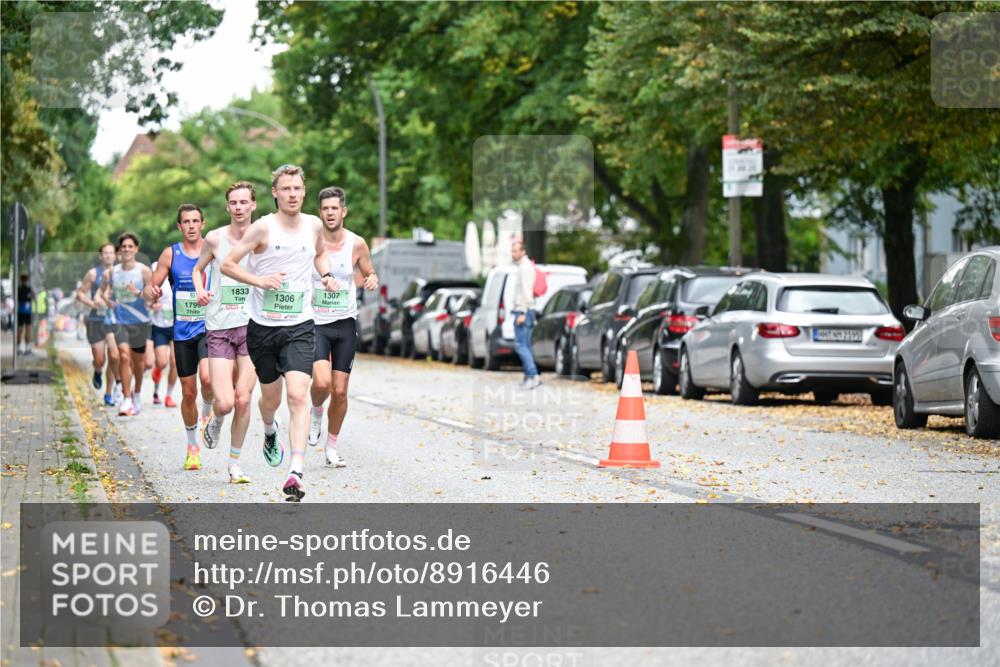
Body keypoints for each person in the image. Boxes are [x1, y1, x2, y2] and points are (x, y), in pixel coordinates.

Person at [221, 164, 339, 501]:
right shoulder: (262, 229)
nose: (292, 195)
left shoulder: (314, 226)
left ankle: (296, 471)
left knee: (299, 396)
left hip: (300, 325)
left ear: (304, 192)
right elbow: (227, 264)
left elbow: (319, 255)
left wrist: (327, 275)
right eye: (286, 189)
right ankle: (270, 429)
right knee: (269, 400)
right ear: (274, 193)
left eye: (297, 189)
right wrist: (259, 281)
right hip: (263, 328)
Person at [192, 181, 259, 485]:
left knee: (243, 399)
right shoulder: (215, 239)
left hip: (253, 326)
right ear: (227, 206)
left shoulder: (265, 237)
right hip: (219, 326)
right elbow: (197, 269)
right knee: (226, 402)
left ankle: (234, 464)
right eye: (234, 202)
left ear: (253, 205)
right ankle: (217, 418)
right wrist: (200, 289)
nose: (239, 208)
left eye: (244, 202)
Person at [307, 186, 379, 468]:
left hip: (345, 323)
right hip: (316, 323)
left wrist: (371, 279)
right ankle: (315, 412)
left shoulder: (357, 244)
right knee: (322, 383)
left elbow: (369, 272)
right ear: (320, 212)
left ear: (343, 211)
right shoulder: (311, 242)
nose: (329, 213)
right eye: (325, 208)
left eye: (334, 208)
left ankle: (332, 447)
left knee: (340, 391)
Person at [145, 205, 214, 471]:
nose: (191, 226)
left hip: (209, 327)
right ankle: (192, 447)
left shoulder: (214, 249)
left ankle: (207, 410)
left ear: (203, 224)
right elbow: (150, 288)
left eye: (196, 221)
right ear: (179, 226)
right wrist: (151, 293)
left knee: (207, 380)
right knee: (188, 391)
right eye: (186, 222)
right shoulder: (170, 254)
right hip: (182, 331)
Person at [101, 233, 153, 416]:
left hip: (140, 321)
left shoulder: (144, 271)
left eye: (130, 246)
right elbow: (105, 292)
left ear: (136, 249)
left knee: (138, 363)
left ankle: (137, 394)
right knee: (124, 356)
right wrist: (108, 300)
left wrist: (137, 292)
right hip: (119, 320)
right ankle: (126, 398)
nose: (127, 250)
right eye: (124, 247)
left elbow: (151, 295)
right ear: (120, 250)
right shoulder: (112, 272)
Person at [75, 243, 120, 398]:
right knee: (100, 359)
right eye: (105, 253)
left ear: (115, 255)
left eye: (111, 253)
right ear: (100, 256)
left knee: (114, 356)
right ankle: (98, 370)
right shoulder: (93, 274)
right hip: (95, 320)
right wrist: (92, 303)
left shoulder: (120, 273)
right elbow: (80, 294)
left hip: (114, 320)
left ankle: (110, 392)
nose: (108, 255)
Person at [511, 239, 541, 389]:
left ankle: (533, 375)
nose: (513, 254)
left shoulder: (525, 267)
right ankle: (529, 376)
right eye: (513, 251)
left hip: (524, 310)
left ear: (523, 251)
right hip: (526, 309)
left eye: (516, 251)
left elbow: (526, 291)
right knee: (525, 345)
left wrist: (523, 311)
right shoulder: (524, 267)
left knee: (520, 345)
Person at [148, 260, 178, 407]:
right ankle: (156, 389)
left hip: (176, 325)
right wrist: (153, 305)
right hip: (159, 325)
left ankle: (168, 395)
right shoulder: (155, 268)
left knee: (175, 361)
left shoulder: (180, 272)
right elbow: (147, 298)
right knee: (162, 362)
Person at [16, 274, 33, 355]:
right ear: (26, 281)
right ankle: (27, 348)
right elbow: (32, 297)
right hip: (27, 312)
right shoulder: (28, 289)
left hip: (20, 312)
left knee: (20, 330)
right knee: (27, 330)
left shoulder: (18, 289)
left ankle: (18, 348)